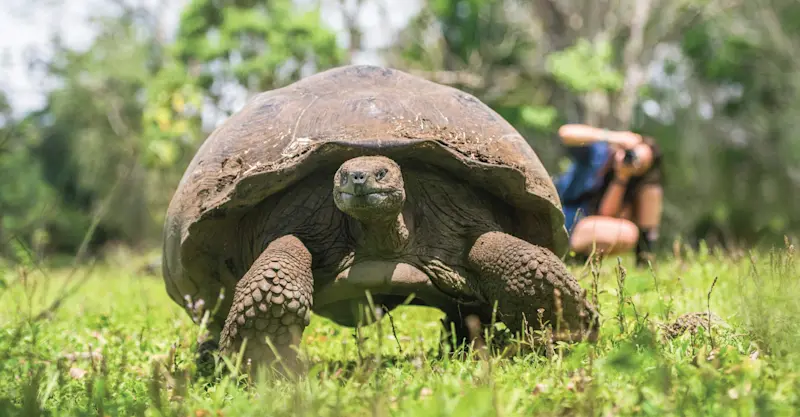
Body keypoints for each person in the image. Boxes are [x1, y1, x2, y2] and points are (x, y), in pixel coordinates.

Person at [554, 123, 664, 266]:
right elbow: (565, 132)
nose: (631, 160)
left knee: (628, 231)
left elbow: (605, 214)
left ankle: (569, 257)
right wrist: (614, 137)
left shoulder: (629, 185)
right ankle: (562, 251)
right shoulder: (600, 153)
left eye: (639, 164)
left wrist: (621, 178)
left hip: (582, 228)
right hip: (558, 210)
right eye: (632, 153)